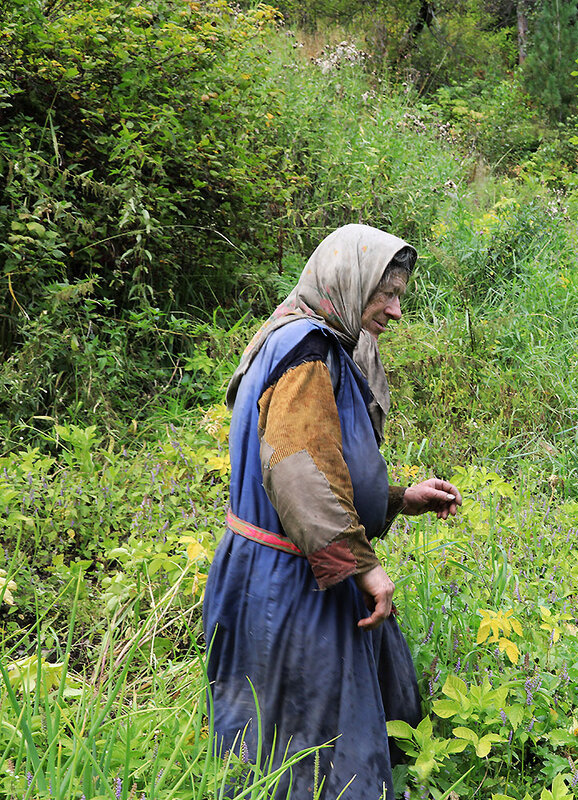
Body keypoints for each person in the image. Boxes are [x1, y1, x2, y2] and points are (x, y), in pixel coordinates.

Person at [203, 223, 462, 800]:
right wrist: (365, 566)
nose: (395, 311)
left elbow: (325, 463)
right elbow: (298, 470)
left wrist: (398, 499)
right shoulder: (306, 353)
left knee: (295, 743)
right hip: (290, 587)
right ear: (346, 283)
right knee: (312, 759)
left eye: (399, 295)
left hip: (296, 570)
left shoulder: (303, 340)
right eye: (383, 294)